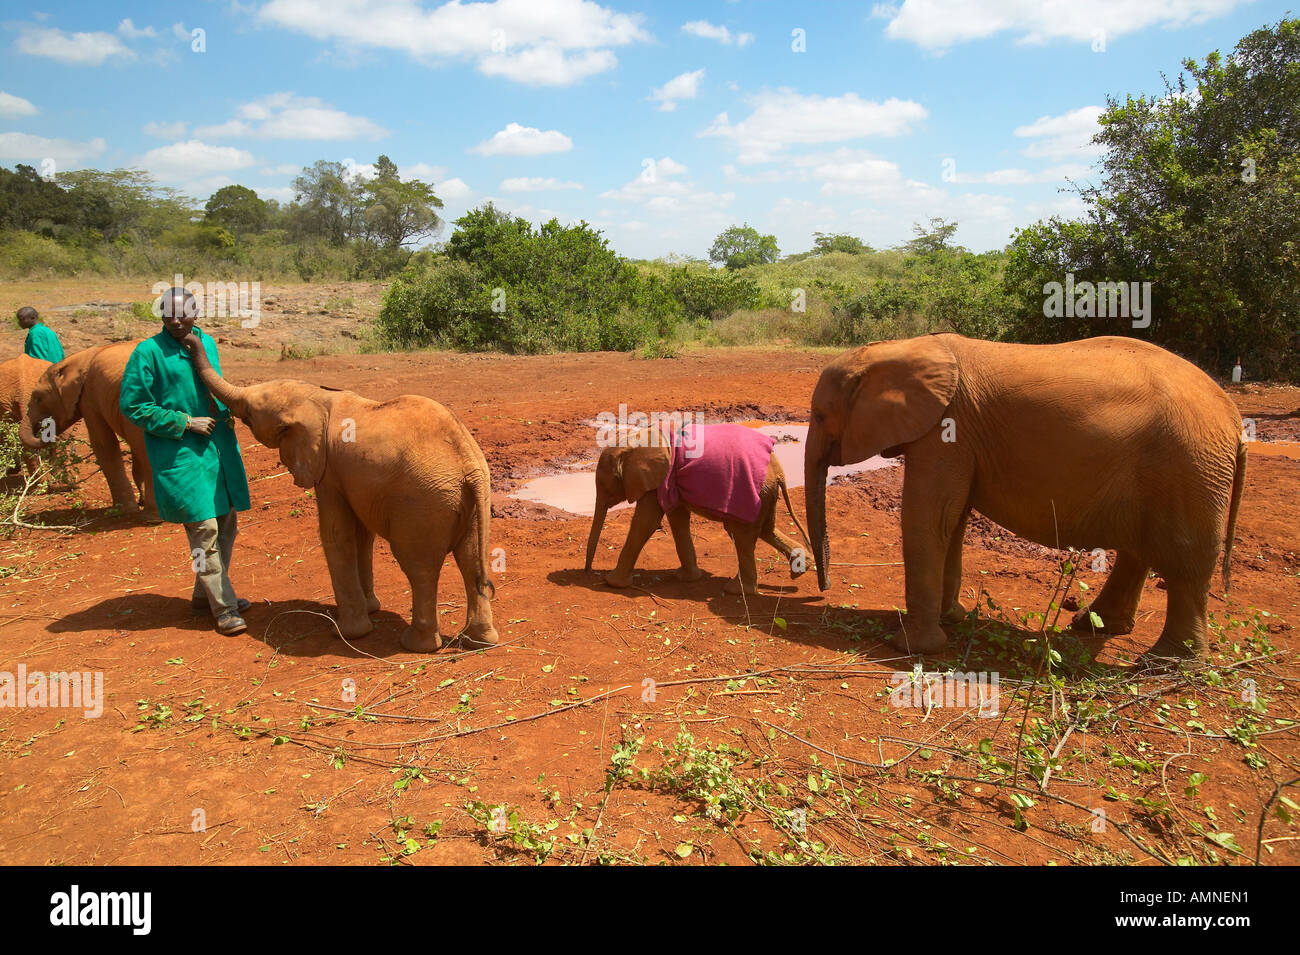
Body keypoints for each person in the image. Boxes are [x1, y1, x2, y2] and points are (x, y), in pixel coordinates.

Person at [119, 287, 252, 635]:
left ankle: (203, 595)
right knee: (202, 528)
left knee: (225, 524)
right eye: (168, 314)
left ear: (196, 312)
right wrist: (182, 422)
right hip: (180, 454)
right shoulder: (147, 352)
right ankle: (223, 608)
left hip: (218, 451)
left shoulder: (205, 343)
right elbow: (133, 405)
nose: (176, 321)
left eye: (183, 314)